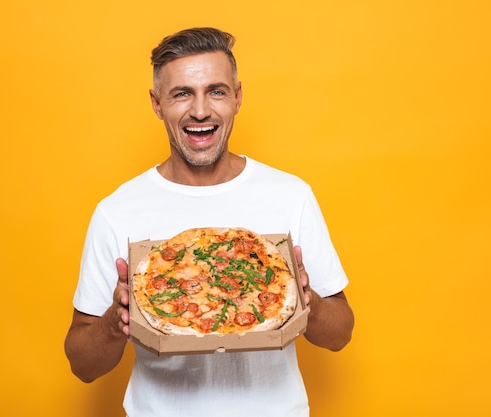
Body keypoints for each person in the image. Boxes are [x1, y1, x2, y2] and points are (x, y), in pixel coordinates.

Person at [64, 27, 354, 417]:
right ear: (156, 103)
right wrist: (116, 323)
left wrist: (306, 302)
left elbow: (341, 335)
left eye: (215, 91)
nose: (200, 110)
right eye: (182, 93)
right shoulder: (117, 211)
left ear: (237, 97)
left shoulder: (290, 195)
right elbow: (82, 366)